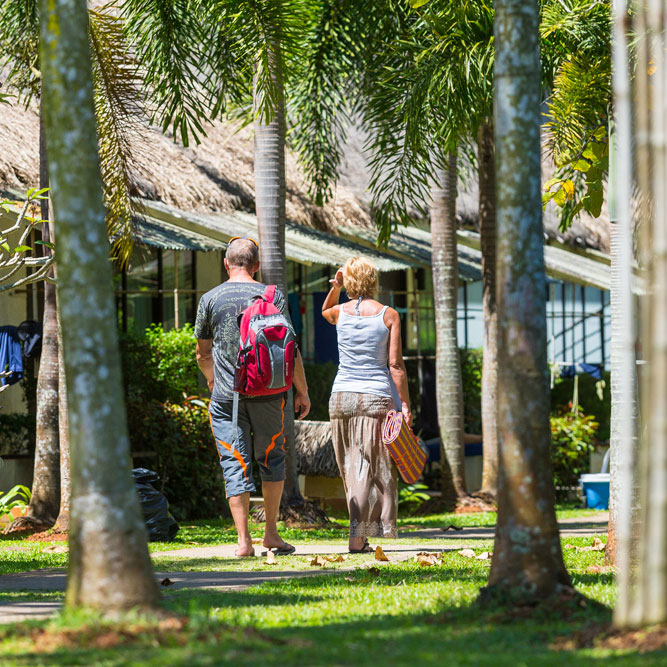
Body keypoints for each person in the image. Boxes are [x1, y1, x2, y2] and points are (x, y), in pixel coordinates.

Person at [195, 236, 311, 558]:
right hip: (271, 396)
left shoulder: (210, 299)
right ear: (257, 266)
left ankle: (243, 542)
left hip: (226, 398)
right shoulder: (273, 296)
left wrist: (212, 381)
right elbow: (291, 349)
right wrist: (301, 391)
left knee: (235, 461)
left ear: (226, 264)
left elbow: (202, 354)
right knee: (272, 458)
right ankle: (271, 534)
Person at [322, 257, 411, 553]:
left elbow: (325, 311)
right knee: (369, 467)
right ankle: (358, 536)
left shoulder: (340, 312)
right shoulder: (388, 315)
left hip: (341, 398)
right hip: (375, 396)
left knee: (352, 466)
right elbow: (395, 365)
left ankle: (361, 534)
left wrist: (335, 288)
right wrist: (406, 404)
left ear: (349, 281)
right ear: (373, 281)